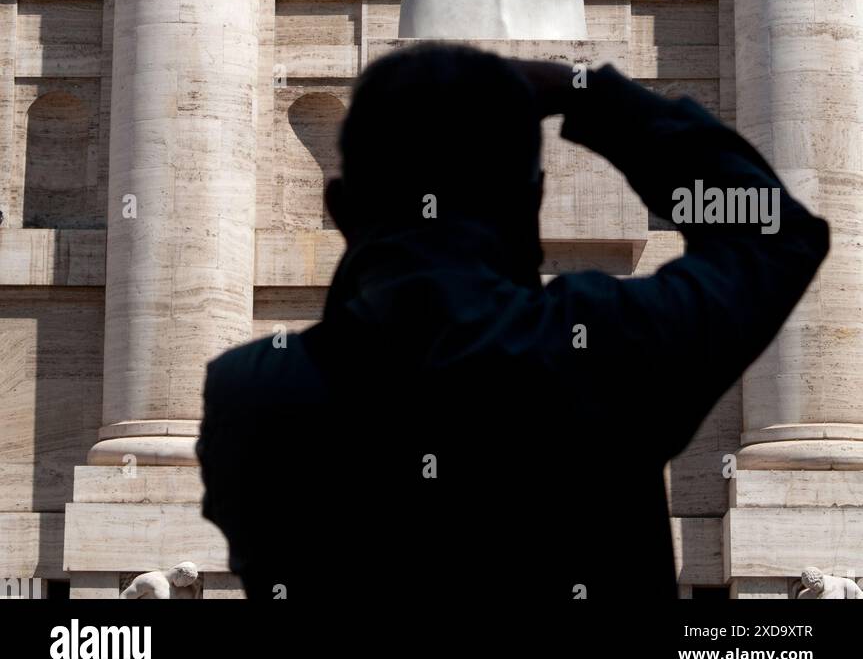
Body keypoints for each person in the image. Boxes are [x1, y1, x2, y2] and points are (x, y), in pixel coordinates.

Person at [197, 45, 829, 608]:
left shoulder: (249, 394)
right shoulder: (598, 351)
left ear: (337, 207)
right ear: (532, 206)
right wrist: (592, 95)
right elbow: (771, 232)